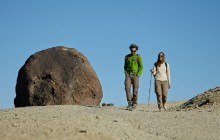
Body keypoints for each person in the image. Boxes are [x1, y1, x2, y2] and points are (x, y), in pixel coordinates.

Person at [124, 44, 143, 111]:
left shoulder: (138, 56)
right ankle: (129, 103)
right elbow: (125, 67)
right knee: (127, 88)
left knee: (135, 90)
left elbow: (141, 67)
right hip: (128, 75)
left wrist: (138, 74)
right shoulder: (127, 57)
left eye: (134, 51)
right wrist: (126, 74)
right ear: (130, 50)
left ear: (136, 50)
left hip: (135, 75)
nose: (133, 52)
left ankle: (134, 103)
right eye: (132, 51)